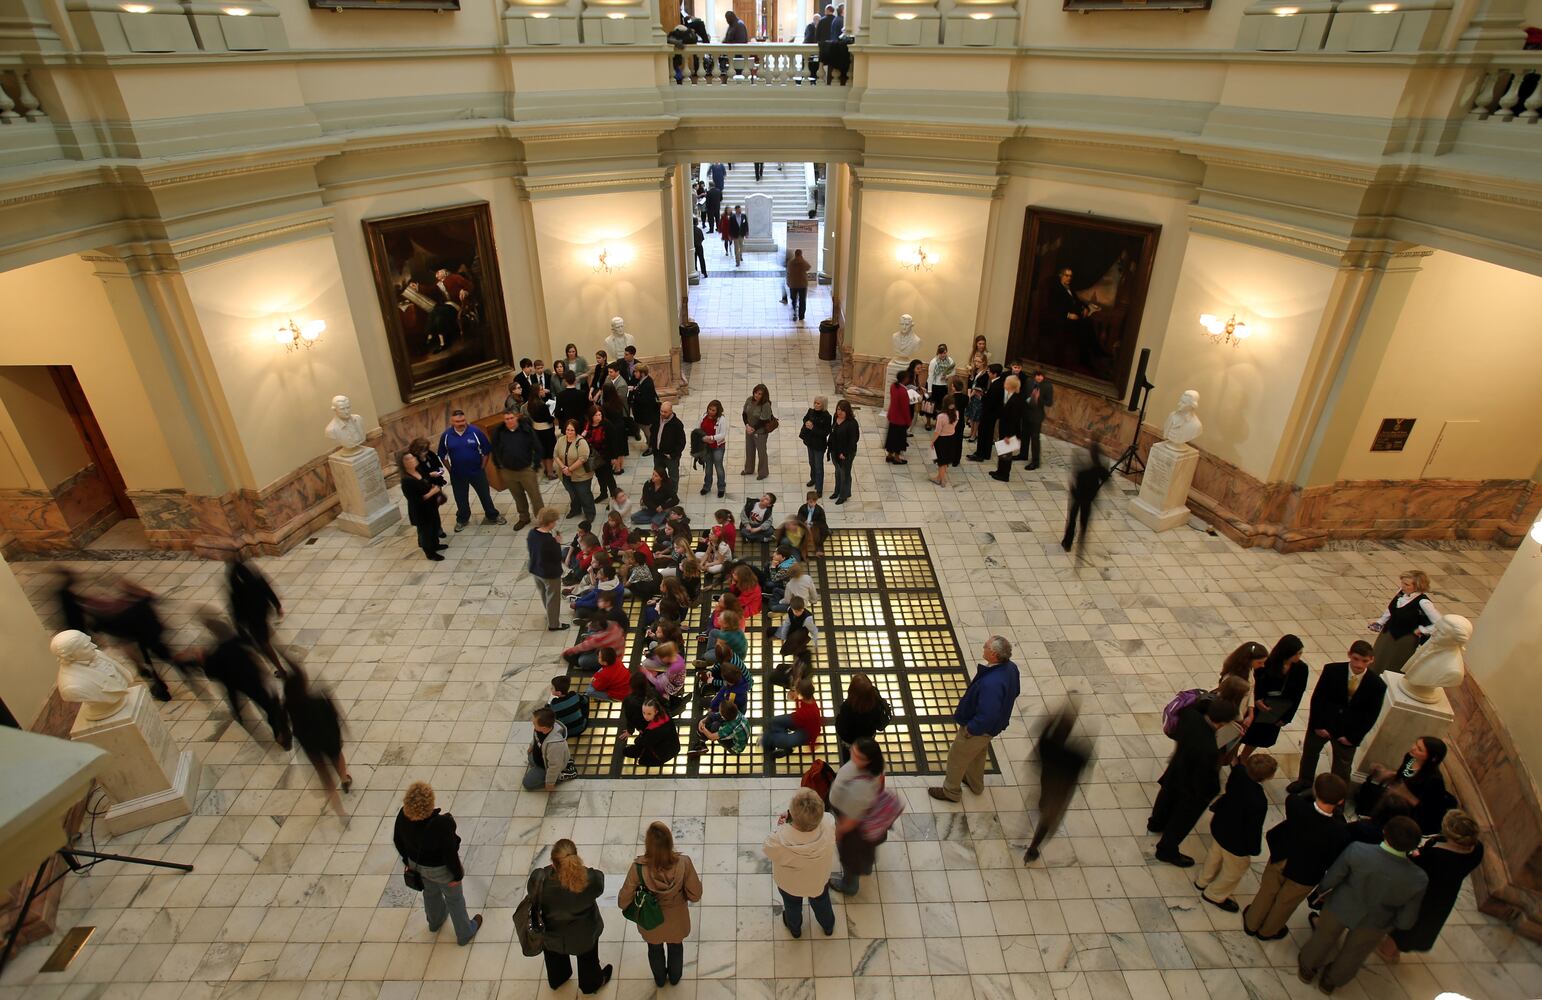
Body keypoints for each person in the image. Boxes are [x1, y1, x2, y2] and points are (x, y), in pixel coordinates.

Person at [1297, 816, 1428, 994]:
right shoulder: (1418, 878)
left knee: (1323, 937)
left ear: (1385, 832)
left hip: (1340, 905)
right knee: (1355, 953)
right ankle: (1331, 981)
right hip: (1377, 921)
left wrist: (1321, 890)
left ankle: (1307, 968)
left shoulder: (1358, 850)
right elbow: (1407, 918)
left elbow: (1333, 877)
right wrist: (1394, 924)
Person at [1243, 773, 1350, 940]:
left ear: (1315, 791)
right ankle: (1268, 931)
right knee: (1286, 903)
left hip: (1282, 858)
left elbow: (1295, 797)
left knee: (1267, 891)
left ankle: (1252, 922)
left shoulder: (1296, 806)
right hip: (1306, 873)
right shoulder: (1340, 830)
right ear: (1341, 801)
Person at [1147, 697, 1239, 867]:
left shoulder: (1189, 715)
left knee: (1165, 798)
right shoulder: (1209, 748)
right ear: (1222, 723)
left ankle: (1155, 823)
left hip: (1176, 770)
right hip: (1191, 787)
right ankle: (1166, 850)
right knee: (1182, 820)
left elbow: (1195, 705)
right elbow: (1207, 779)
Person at [1380, 810, 1483, 961]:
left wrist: (1416, 856)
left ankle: (1387, 952)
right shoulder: (1478, 849)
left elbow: (1415, 868)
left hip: (1424, 895)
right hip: (1445, 895)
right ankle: (1397, 950)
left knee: (1408, 923)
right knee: (1422, 925)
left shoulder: (1438, 857)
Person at [1287, 641, 1387, 793]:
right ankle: (1304, 781)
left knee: (1342, 767)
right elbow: (1318, 698)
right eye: (1356, 659)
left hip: (1348, 732)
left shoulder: (1377, 685)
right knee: (1310, 754)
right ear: (1349, 655)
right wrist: (1317, 725)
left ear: (1371, 660)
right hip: (1323, 724)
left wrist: (1353, 737)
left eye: (1364, 661)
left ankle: (1335, 794)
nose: (1359, 665)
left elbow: (1371, 715)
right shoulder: (1332, 670)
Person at [929, 635, 1020, 803]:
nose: (983, 648)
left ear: (994, 654)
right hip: (991, 728)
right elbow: (1015, 692)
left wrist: (971, 729)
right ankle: (975, 783)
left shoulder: (991, 684)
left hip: (978, 729)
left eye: (985, 646)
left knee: (957, 757)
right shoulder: (1011, 668)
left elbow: (987, 714)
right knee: (977, 754)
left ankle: (951, 792)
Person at [394, 782, 482, 946]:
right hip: (441, 870)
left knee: (430, 893)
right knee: (454, 899)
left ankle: (435, 921)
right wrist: (457, 875)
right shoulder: (441, 824)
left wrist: (407, 862)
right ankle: (464, 932)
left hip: (417, 866)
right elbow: (450, 854)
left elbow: (397, 840)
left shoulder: (403, 816)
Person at [618, 822, 703, 988]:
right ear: (670, 841)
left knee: (654, 949)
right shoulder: (684, 863)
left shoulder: (637, 869)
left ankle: (659, 980)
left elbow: (623, 902)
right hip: (677, 920)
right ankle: (675, 978)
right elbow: (696, 894)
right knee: (676, 948)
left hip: (651, 922)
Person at [189, 614, 291, 749]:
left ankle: (278, 733)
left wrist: (203, 660)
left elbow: (212, 674)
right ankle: (280, 733)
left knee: (264, 707)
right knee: (270, 706)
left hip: (238, 683)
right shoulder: (236, 640)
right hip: (255, 678)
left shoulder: (218, 654)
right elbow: (253, 648)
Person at [1194, 754, 1277, 911]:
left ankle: (1203, 880)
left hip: (1220, 824)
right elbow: (1253, 828)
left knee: (1215, 854)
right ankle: (1214, 894)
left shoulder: (1238, 772)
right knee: (1233, 871)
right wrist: (1253, 848)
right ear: (1267, 777)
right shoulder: (1259, 801)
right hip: (1236, 840)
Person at [528, 840, 611, 993]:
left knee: (554, 958)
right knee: (588, 960)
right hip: (584, 934)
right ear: (576, 857)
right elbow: (600, 885)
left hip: (551, 933)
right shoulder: (591, 879)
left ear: (553, 862)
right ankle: (591, 985)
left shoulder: (539, 879)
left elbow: (532, 895)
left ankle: (559, 979)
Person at [763, 788, 837, 937]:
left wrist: (781, 827)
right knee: (822, 902)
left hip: (790, 884)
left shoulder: (778, 840)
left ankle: (795, 929)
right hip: (818, 879)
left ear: (792, 815)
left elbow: (768, 848)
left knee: (792, 906)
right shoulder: (829, 822)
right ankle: (828, 926)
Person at [1023, 700, 1090, 863]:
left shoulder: (1049, 744)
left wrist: (1053, 718)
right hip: (1060, 790)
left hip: (1048, 781)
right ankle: (1033, 848)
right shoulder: (1076, 754)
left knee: (1045, 809)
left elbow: (1040, 745)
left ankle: (1033, 845)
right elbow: (1080, 770)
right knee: (1048, 819)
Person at [282, 660, 350, 817]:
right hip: (328, 738)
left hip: (310, 744)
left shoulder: (289, 705)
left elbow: (288, 726)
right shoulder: (318, 703)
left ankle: (341, 813)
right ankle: (344, 779)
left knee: (325, 777)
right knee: (337, 757)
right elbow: (332, 718)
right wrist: (339, 736)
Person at [827, 737, 887, 895]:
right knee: (866, 850)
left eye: (858, 756)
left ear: (868, 760)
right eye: (853, 751)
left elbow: (853, 818)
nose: (853, 756)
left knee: (850, 856)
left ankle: (849, 886)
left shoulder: (862, 788)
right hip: (866, 818)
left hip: (852, 822)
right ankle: (866, 868)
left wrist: (839, 832)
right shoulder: (877, 767)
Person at [1356, 736, 1450, 833]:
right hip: (1395, 805)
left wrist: (1406, 794)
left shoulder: (1434, 780)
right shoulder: (1410, 758)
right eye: (1415, 744)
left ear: (1433, 758)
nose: (1413, 748)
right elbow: (1402, 776)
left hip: (1411, 817)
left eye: (1419, 749)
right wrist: (1387, 773)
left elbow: (1428, 811)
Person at [1237, 634, 1308, 761]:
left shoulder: (1301, 669)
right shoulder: (1267, 663)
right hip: (1258, 705)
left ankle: (1243, 758)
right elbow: (1255, 683)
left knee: (1258, 737)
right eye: (1296, 654)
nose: (1298, 657)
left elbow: (1298, 694)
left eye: (1300, 653)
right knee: (1243, 732)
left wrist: (1287, 717)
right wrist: (1257, 700)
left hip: (1276, 709)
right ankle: (1232, 756)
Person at [437, 409, 506, 531]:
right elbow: (443, 455)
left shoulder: (475, 432)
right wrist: (450, 470)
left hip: (477, 472)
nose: (461, 423)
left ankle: (492, 515)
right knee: (460, 498)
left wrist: (482, 467)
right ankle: (462, 519)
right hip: (458, 474)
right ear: (452, 422)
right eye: (458, 421)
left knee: (485, 495)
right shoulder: (446, 436)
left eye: (463, 420)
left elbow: (485, 450)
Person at [1368, 569, 1441, 674]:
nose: (1403, 586)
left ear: (1417, 586)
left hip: (1404, 639)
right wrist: (1380, 622)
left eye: (1407, 584)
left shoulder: (1424, 603)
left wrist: (1423, 630)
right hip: (1387, 634)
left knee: (1393, 665)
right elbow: (1391, 609)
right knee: (1378, 658)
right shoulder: (1401, 593)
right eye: (1402, 583)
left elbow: (1440, 623)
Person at [490, 408, 543, 531]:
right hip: (508, 471)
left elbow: (538, 447)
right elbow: (495, 449)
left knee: (535, 497)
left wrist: (535, 465)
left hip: (526, 470)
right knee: (518, 496)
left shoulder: (526, 430)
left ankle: (542, 519)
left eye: (511, 418)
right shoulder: (499, 432)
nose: (509, 421)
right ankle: (524, 518)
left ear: (516, 418)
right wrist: (498, 465)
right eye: (506, 419)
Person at [227, 558, 282, 673]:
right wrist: (277, 605)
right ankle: (277, 662)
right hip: (262, 611)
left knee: (263, 643)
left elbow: (236, 608)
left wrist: (238, 624)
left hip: (252, 618)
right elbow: (266, 588)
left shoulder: (237, 589)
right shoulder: (254, 578)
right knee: (264, 637)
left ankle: (280, 669)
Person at [1062, 443, 1112, 553]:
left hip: (1078, 494)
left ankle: (1068, 542)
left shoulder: (1082, 462)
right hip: (1089, 496)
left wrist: (1072, 486)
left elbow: (1075, 476)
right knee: (1084, 518)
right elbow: (1106, 479)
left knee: (1073, 517)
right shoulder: (1100, 465)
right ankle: (1081, 539)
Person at [400, 450, 448, 561]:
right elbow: (415, 500)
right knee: (426, 532)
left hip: (430, 506)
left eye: (413, 457)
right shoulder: (406, 481)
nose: (413, 459)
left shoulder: (418, 470)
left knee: (434, 526)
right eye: (409, 459)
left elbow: (425, 479)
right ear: (404, 463)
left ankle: (435, 545)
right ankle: (430, 553)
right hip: (420, 511)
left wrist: (431, 477)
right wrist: (432, 492)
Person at [762, 675, 822, 759]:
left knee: (776, 738)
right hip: (799, 720)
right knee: (773, 722)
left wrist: (812, 745)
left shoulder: (809, 712)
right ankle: (781, 741)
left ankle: (778, 742)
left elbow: (813, 729)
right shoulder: (809, 699)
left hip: (805, 733)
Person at [528, 507, 568, 632]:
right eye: (554, 521)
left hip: (535, 570)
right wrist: (557, 543)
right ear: (550, 523)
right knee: (553, 598)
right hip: (549, 574)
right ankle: (554, 624)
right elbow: (557, 558)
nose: (555, 523)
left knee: (544, 594)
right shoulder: (550, 541)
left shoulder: (532, 533)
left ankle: (550, 614)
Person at [524, 706, 577, 790]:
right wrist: (531, 745)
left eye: (534, 723)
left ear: (543, 728)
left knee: (527, 784)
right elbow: (536, 738)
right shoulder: (540, 728)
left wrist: (550, 783)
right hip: (543, 757)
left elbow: (553, 766)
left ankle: (560, 776)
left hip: (548, 765)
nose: (532, 724)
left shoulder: (555, 745)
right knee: (530, 758)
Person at [834, 671, 890, 750]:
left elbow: (842, 729)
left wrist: (837, 720)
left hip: (850, 740)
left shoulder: (848, 707)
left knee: (849, 754)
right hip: (868, 736)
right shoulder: (875, 698)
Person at [556, 419, 597, 525]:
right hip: (565, 474)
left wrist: (569, 469)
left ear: (576, 430)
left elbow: (583, 458)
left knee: (584, 494)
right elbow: (555, 455)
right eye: (567, 429)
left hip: (581, 475)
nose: (569, 432)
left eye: (572, 430)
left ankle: (590, 513)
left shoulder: (581, 442)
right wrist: (564, 468)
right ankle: (575, 509)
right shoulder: (561, 440)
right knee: (572, 494)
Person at [623, 696, 681, 765]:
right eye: (644, 713)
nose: (646, 716)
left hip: (663, 754)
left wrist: (638, 739)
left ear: (656, 711)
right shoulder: (665, 714)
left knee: (635, 754)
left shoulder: (653, 730)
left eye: (649, 714)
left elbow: (642, 743)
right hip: (674, 746)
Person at [989, 375, 1024, 482]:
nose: (1004, 384)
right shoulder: (1011, 396)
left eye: (1006, 382)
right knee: (1002, 452)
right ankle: (999, 471)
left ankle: (1004, 475)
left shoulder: (1015, 400)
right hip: (1005, 430)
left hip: (1008, 432)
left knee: (1006, 454)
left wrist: (1009, 435)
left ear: (1010, 385)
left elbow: (1014, 420)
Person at [969, 364, 1005, 461]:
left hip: (989, 414)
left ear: (995, 374)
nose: (988, 373)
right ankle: (986, 454)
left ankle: (980, 454)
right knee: (988, 434)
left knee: (983, 433)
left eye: (989, 372)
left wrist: (981, 396)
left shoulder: (996, 385)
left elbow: (991, 402)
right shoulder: (998, 382)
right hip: (992, 414)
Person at [827, 399, 859, 504]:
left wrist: (844, 453)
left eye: (842, 410)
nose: (839, 412)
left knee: (845, 474)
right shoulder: (835, 417)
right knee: (838, 472)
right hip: (835, 451)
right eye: (838, 409)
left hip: (846, 453)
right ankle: (837, 491)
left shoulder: (852, 423)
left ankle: (843, 495)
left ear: (847, 411)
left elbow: (853, 440)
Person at [741, 384, 776, 480]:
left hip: (760, 432)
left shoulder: (766, 405)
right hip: (749, 429)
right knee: (749, 449)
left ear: (764, 395)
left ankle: (763, 472)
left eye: (760, 394)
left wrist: (753, 428)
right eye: (756, 392)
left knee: (761, 452)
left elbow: (764, 420)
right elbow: (744, 414)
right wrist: (747, 425)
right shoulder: (749, 400)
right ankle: (749, 469)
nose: (756, 395)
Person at [1021, 370, 1054, 470]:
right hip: (1026, 412)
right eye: (1037, 375)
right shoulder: (1029, 382)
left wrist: (1038, 398)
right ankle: (1023, 454)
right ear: (1034, 376)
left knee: (1035, 438)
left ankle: (1035, 462)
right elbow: (1024, 394)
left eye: (1041, 376)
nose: (1039, 378)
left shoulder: (1047, 386)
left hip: (1037, 415)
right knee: (1024, 434)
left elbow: (1049, 403)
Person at [928, 391, 962, 487]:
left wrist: (932, 441)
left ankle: (942, 480)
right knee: (946, 460)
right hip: (951, 438)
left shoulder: (941, 416)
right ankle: (939, 477)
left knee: (941, 461)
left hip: (942, 441)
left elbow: (937, 431)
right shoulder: (956, 413)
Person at [799, 396, 831, 495]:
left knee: (819, 467)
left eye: (818, 403)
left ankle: (819, 488)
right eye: (815, 403)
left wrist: (813, 428)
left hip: (819, 445)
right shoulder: (811, 411)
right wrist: (806, 422)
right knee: (811, 462)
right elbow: (805, 418)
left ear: (823, 405)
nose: (816, 405)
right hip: (810, 442)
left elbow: (825, 432)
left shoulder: (827, 416)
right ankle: (813, 479)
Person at [883, 369, 914, 465]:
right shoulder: (903, 391)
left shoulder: (893, 386)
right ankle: (897, 458)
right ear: (905, 379)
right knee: (899, 440)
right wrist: (908, 420)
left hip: (892, 416)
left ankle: (889, 455)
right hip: (900, 420)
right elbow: (905, 408)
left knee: (891, 437)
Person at [700, 399, 728, 499]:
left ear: (717, 411)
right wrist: (702, 438)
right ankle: (707, 486)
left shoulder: (721, 420)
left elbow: (722, 434)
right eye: (709, 409)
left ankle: (721, 488)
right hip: (706, 447)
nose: (710, 412)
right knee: (708, 468)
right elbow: (698, 428)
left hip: (718, 447)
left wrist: (711, 438)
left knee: (718, 467)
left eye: (713, 410)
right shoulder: (704, 416)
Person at [924, 343, 955, 430]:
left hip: (943, 386)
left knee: (941, 406)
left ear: (946, 352)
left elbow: (953, 372)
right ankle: (928, 423)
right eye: (941, 353)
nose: (943, 355)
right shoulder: (933, 362)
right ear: (938, 353)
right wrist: (929, 390)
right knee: (929, 405)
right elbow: (930, 376)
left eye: (944, 353)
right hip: (932, 385)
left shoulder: (950, 361)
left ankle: (938, 423)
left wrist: (947, 376)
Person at [786, 248, 812, 321]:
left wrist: (788, 282)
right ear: (801, 254)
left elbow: (788, 272)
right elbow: (808, 267)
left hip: (793, 284)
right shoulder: (803, 262)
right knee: (802, 301)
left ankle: (795, 312)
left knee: (793, 299)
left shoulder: (790, 262)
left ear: (795, 254)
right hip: (802, 285)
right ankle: (801, 316)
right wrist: (802, 259)